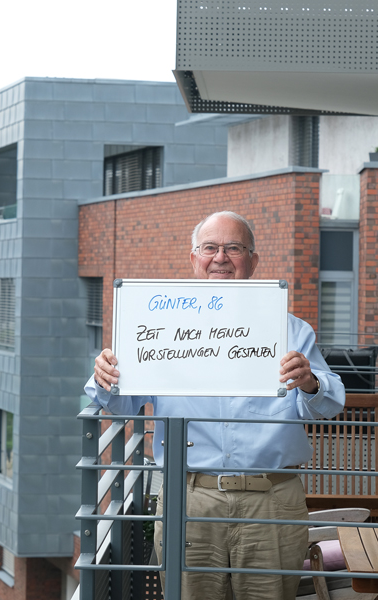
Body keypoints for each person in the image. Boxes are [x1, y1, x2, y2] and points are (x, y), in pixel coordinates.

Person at [84, 211, 345, 600]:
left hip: (271, 501)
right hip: (190, 498)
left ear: (253, 261)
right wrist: (105, 375)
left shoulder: (291, 330)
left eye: (234, 248)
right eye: (210, 247)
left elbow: (329, 405)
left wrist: (309, 382)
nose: (220, 257)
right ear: (194, 258)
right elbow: (119, 401)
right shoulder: (157, 325)